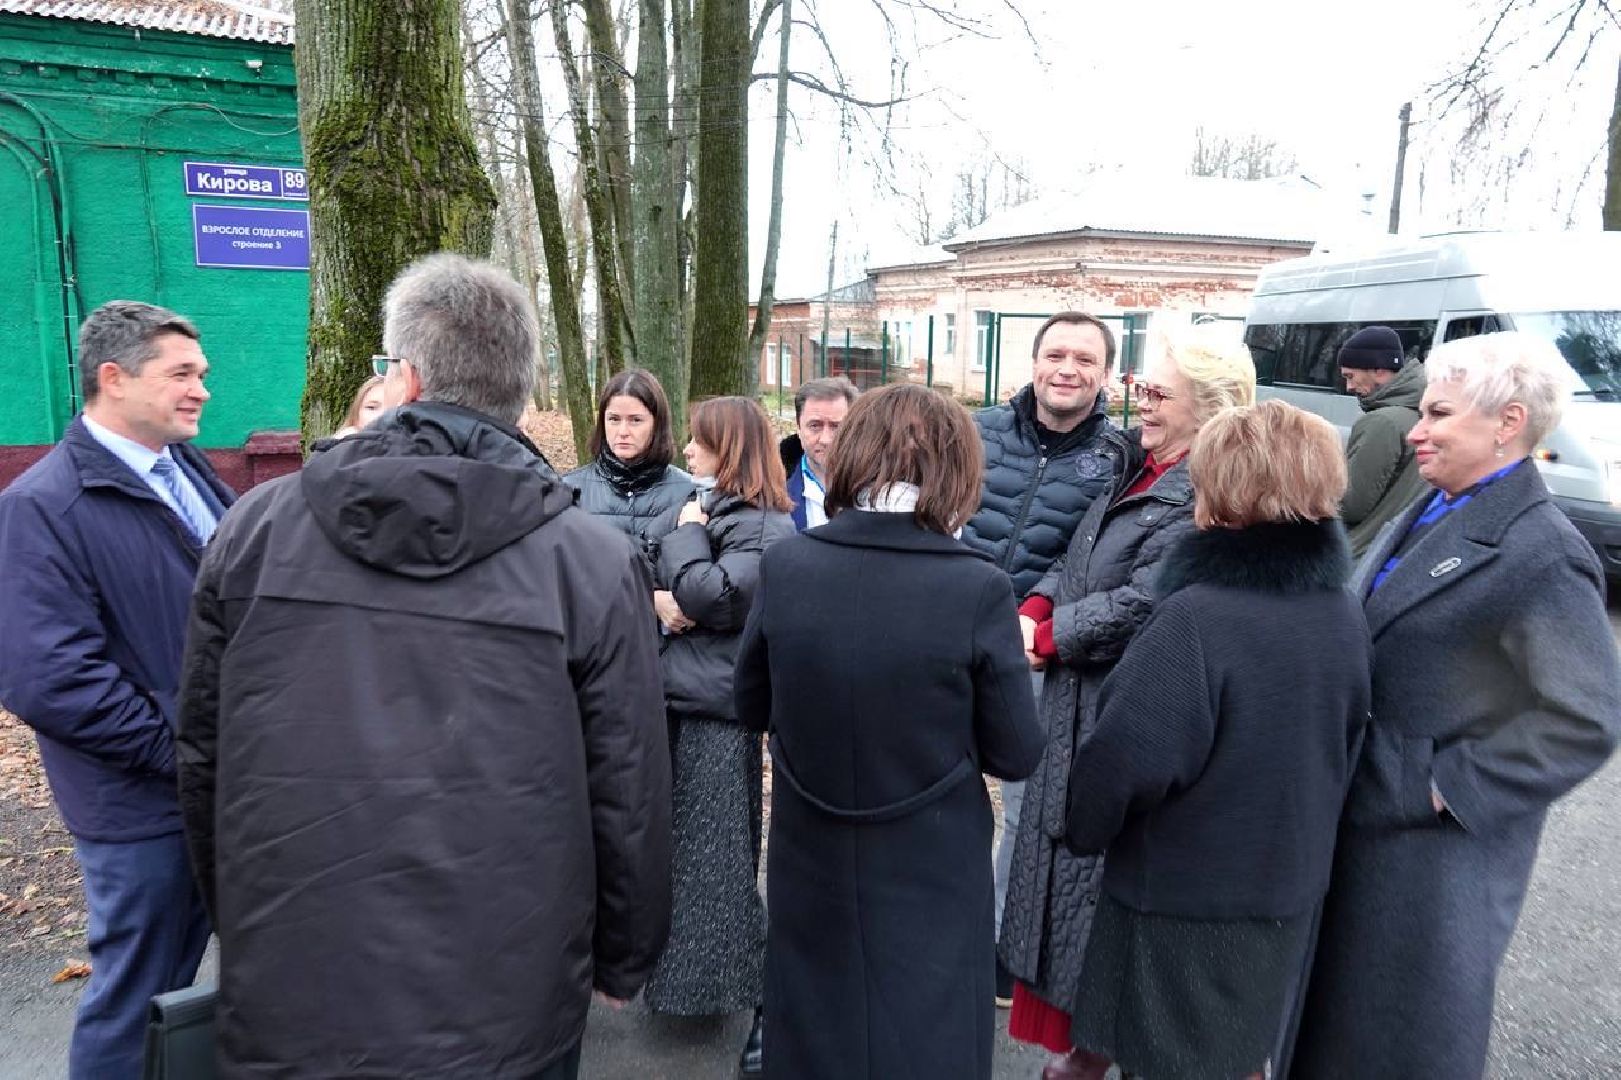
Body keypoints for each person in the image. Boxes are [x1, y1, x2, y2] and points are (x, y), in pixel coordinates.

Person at [175, 253, 673, 1080]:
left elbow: (202, 757)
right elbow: (629, 784)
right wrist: (624, 954)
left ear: (402, 379)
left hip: (297, 976)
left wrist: (239, 918)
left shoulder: (255, 529)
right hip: (505, 998)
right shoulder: (589, 560)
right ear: (517, 392)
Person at [1292, 332, 1621, 1080]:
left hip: (1431, 860)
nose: (1414, 427)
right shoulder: (1435, 505)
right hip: (1362, 824)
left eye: (1437, 412)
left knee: (1396, 1040)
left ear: (1506, 422)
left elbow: (1584, 718)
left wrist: (1438, 787)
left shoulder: (1540, 550)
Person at [734, 383, 1045, 1079]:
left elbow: (751, 703)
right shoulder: (977, 587)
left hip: (809, 848)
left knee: (816, 1032)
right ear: (954, 469)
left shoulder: (788, 565)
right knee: (922, 1039)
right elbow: (1015, 750)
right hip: (929, 860)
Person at [1062, 400, 1370, 1080]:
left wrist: (1082, 826)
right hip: (1284, 885)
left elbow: (1125, 759)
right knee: (1233, 1051)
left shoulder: (1198, 617)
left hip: (1179, 895)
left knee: (1176, 1056)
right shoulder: (1341, 609)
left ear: (1226, 491)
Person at [1000, 324, 1257, 1080]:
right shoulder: (1137, 467)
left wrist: (1051, 640)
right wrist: (1036, 612)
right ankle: (1089, 1048)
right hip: (1076, 706)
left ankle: (1099, 1050)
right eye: (1140, 390)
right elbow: (1075, 557)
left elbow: (1149, 598)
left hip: (1117, 713)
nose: (1137, 403)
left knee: (1110, 899)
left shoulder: (1206, 494)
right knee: (1078, 896)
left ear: (1208, 407)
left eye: (1154, 393)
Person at [0, 300, 233, 1079]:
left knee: (186, 996)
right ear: (113, 378)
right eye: (181, 374)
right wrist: (184, 756)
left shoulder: (185, 468)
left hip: (210, 788)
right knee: (134, 1001)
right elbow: (50, 680)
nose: (202, 389)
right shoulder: (41, 507)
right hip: (140, 812)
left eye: (200, 373)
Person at [957, 312, 1125, 1006]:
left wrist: (1037, 619)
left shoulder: (1118, 456)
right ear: (1031, 363)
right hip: (949, 633)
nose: (1067, 368)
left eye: (1084, 359)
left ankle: (1002, 941)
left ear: (1105, 374)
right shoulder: (977, 431)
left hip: (1035, 654)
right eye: (1055, 353)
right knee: (936, 787)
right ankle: (938, 921)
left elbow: (1090, 550)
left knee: (1027, 807)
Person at [644, 395, 796, 1076]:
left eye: (698, 442)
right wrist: (664, 596)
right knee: (687, 851)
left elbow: (714, 599)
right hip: (683, 694)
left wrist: (685, 551)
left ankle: (727, 991)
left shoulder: (760, 526)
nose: (686, 453)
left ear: (727, 448)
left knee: (714, 858)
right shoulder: (717, 514)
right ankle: (685, 984)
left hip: (714, 709)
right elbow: (654, 573)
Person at [565, 368, 696, 573]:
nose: (623, 432)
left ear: (657, 424)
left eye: (636, 420)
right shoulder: (570, 490)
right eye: (614, 419)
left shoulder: (689, 493)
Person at [1337, 325, 1428, 556]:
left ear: (1378, 370)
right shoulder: (1425, 410)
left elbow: (1351, 505)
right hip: (1404, 547)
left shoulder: (1382, 422)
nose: (1348, 387)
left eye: (1351, 376)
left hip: (1365, 552)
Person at [779, 376, 857, 529]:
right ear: (798, 428)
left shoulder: (877, 488)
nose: (826, 439)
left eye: (836, 427)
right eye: (815, 426)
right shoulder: (771, 487)